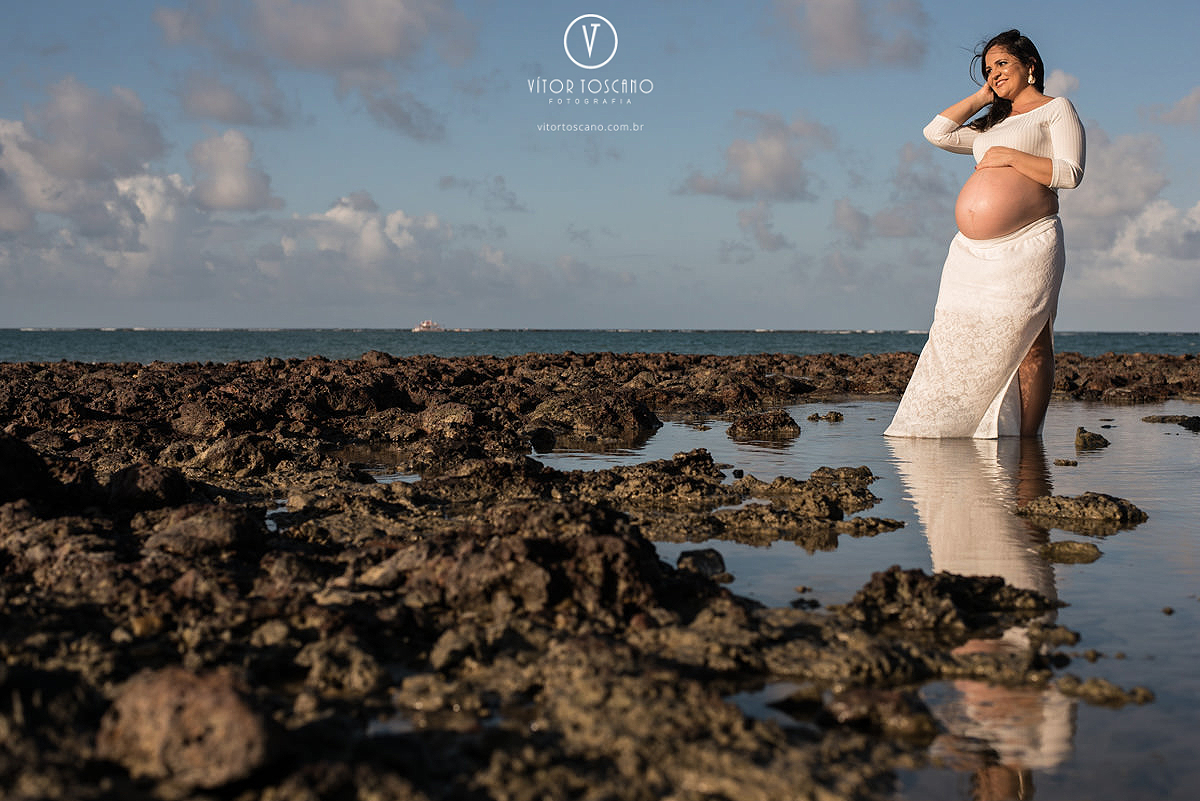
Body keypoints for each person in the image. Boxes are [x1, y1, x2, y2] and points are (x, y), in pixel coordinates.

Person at [885, 30, 1085, 439]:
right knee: (957, 338)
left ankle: (1030, 443)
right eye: (988, 68)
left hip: (1028, 244)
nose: (994, 73)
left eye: (1003, 64)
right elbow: (936, 133)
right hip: (969, 256)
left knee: (1031, 342)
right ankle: (970, 431)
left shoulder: (1055, 109)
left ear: (1030, 66)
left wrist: (1009, 155)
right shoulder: (990, 127)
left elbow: (1069, 173)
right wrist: (984, 97)